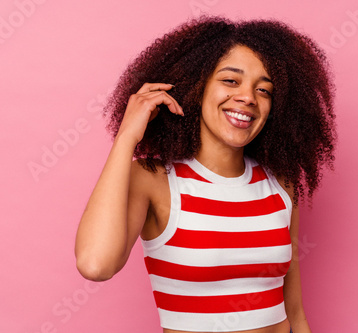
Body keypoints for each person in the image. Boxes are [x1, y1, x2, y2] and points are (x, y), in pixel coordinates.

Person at [75, 16, 336, 333]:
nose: (248, 97)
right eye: (230, 81)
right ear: (197, 87)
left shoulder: (281, 184)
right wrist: (127, 136)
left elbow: (295, 311)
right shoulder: (152, 178)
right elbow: (95, 264)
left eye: (264, 89)